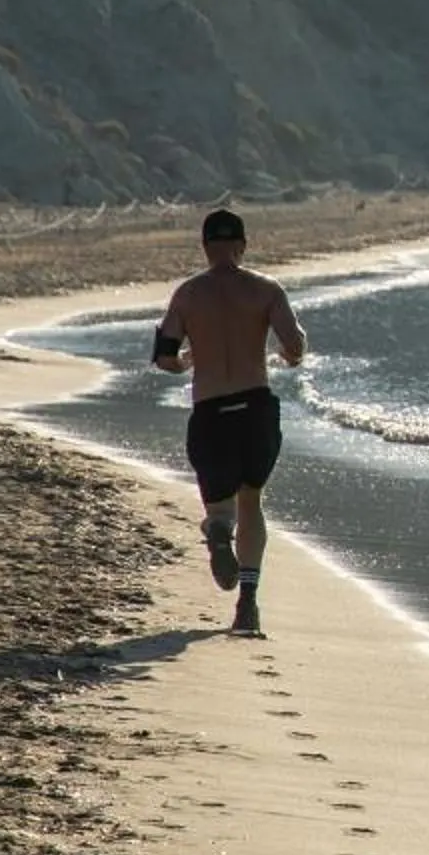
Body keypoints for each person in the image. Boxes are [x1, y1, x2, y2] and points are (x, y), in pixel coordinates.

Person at [151, 208, 307, 638]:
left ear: (205, 248)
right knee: (251, 500)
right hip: (254, 407)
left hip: (211, 411)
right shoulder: (266, 290)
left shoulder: (187, 295)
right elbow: (294, 345)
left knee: (221, 507)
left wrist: (186, 362)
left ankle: (219, 532)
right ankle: (248, 605)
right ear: (242, 246)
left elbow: (165, 357)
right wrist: (289, 356)